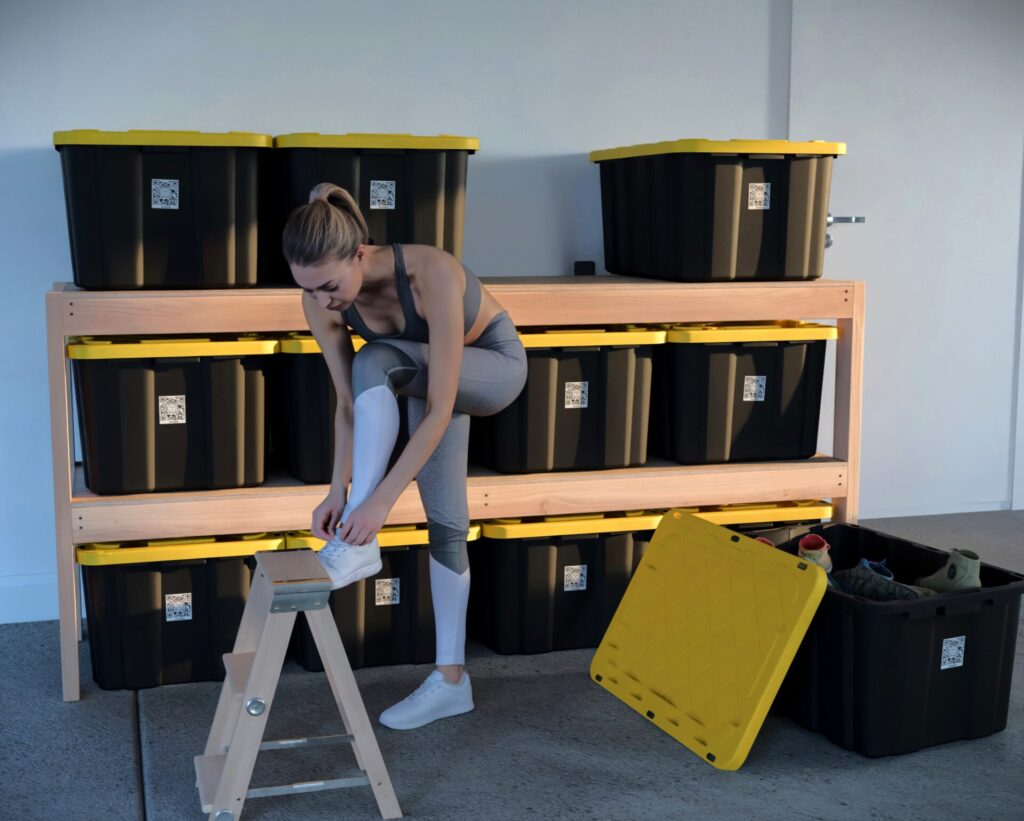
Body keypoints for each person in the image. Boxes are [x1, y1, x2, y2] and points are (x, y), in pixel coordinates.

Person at [282, 183, 527, 730]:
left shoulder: (430, 272)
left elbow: (441, 406)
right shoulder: (318, 300)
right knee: (447, 524)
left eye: (328, 286)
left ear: (359, 253)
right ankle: (450, 682)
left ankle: (359, 546)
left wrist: (375, 509)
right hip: (421, 376)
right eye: (308, 291)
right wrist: (336, 491)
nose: (323, 302)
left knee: (377, 359)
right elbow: (347, 405)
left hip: (492, 368)